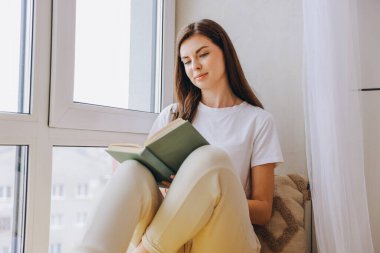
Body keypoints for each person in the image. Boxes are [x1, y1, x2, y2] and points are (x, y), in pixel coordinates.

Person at [73, 19, 283, 253]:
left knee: (211, 159)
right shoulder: (172, 115)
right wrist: (174, 190)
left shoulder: (258, 121)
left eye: (202, 54)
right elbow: (151, 187)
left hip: (223, 235)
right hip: (174, 237)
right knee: (132, 170)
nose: (195, 66)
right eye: (187, 61)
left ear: (225, 53)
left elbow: (263, 211)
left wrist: (199, 192)